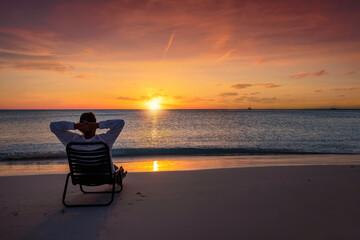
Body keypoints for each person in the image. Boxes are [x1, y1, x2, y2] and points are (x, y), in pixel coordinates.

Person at [50, 112, 127, 181]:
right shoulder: (105, 140)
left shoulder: (72, 141)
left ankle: (117, 172)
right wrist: (98, 125)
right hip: (105, 177)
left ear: (80, 127)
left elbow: (53, 126)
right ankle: (117, 175)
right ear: (94, 124)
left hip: (82, 177)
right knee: (113, 167)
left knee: (113, 166)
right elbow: (120, 123)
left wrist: (75, 126)